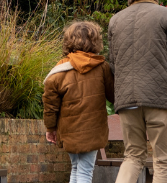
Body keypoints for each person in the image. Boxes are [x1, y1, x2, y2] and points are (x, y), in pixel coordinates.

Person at [108, 0, 167, 183]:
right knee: (162, 160)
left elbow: (113, 65)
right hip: (160, 98)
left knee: (132, 156)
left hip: (127, 101)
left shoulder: (115, 20)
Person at [42, 21, 115, 183]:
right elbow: (114, 96)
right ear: (95, 41)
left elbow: (50, 107)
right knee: (85, 171)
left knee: (76, 168)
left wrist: (50, 128)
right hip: (93, 130)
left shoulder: (57, 72)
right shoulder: (102, 67)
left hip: (69, 131)